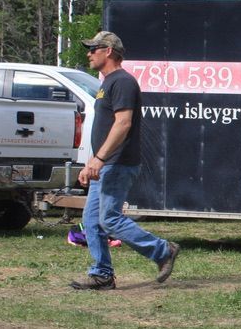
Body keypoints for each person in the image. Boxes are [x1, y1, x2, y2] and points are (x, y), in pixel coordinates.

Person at [70, 31, 179, 290]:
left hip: (117, 163)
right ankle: (102, 274)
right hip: (105, 163)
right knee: (93, 219)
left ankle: (162, 250)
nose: (89, 53)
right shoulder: (107, 83)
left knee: (109, 219)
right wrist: (91, 162)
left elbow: (123, 124)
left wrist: (99, 159)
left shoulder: (123, 82)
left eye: (93, 48)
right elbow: (105, 127)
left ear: (108, 50)